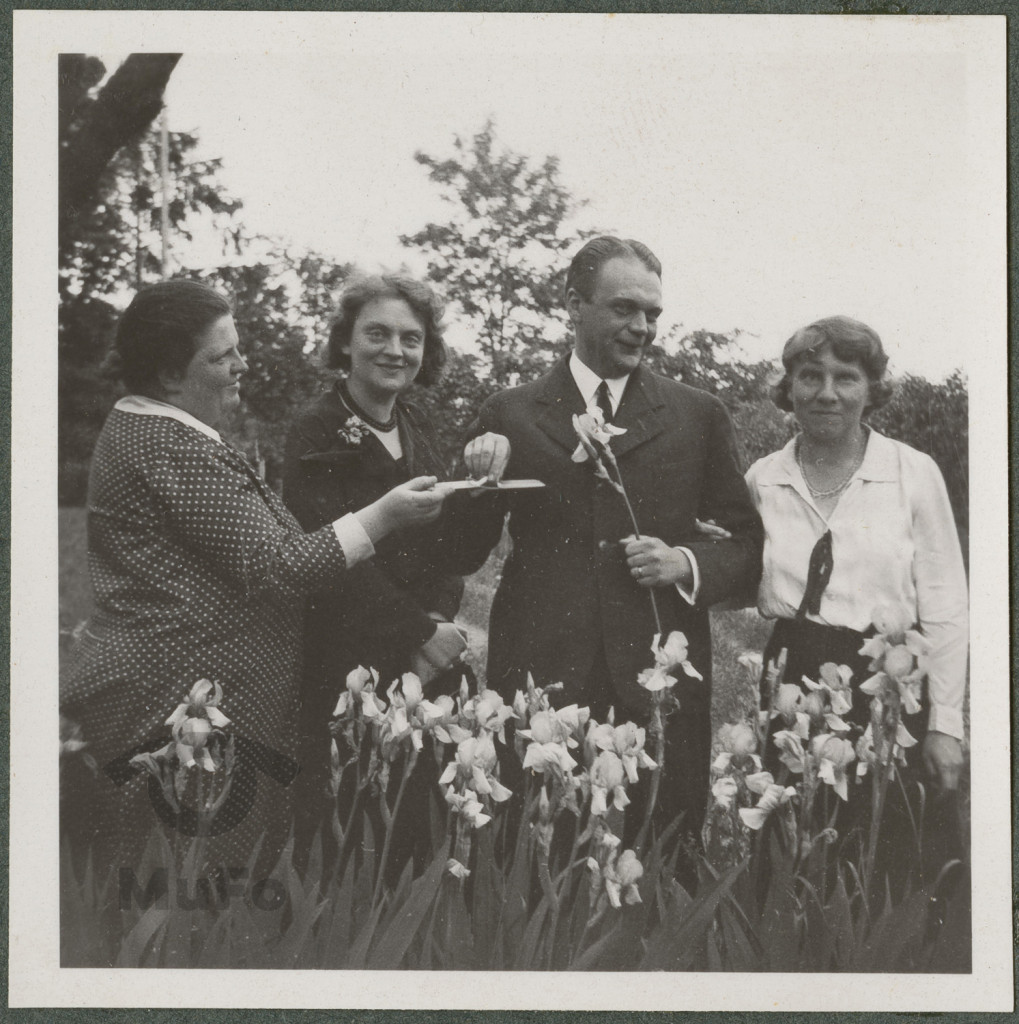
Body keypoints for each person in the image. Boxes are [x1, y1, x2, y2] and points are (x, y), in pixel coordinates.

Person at [60, 279, 447, 880]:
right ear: (168, 374)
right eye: (222, 355)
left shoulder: (165, 431)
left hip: (197, 697)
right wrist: (384, 514)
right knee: (182, 889)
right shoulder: (167, 444)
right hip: (177, 703)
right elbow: (282, 565)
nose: (242, 364)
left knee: (193, 885)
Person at [462, 236, 763, 845]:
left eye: (653, 313)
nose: (642, 327)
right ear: (573, 304)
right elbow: (464, 551)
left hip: (659, 679)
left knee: (662, 851)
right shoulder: (511, 412)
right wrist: (473, 478)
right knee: (539, 852)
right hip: (542, 671)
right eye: (625, 308)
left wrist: (685, 561)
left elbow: (746, 544)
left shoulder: (696, 414)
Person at [744, 315, 968, 884]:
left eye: (846, 377)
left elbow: (945, 604)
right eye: (810, 375)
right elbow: (741, 577)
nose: (826, 392)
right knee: (791, 845)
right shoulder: (762, 479)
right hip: (794, 668)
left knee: (886, 853)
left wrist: (944, 723)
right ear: (788, 386)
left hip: (886, 674)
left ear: (872, 390)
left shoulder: (912, 473)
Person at [282, 273, 474, 870]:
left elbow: (443, 544)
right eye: (378, 333)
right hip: (347, 657)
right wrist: (418, 632)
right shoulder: (314, 428)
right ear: (345, 343)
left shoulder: (417, 426)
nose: (396, 350)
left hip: (422, 655)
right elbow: (332, 557)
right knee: (348, 823)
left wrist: (438, 621)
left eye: (411, 339)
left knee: (416, 822)